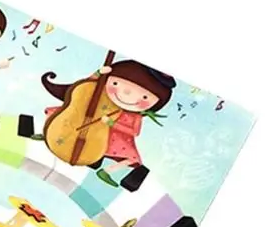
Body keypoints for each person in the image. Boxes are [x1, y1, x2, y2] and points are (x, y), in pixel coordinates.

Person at [20, 60, 175, 187]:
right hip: (79, 121)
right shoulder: (99, 93)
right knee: (58, 116)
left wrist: (113, 124)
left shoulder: (132, 116)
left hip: (107, 136)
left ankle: (107, 171)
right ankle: (47, 134)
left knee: (131, 158)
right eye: (116, 84)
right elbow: (86, 85)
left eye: (145, 98)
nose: (126, 94)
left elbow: (134, 131)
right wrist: (99, 73)